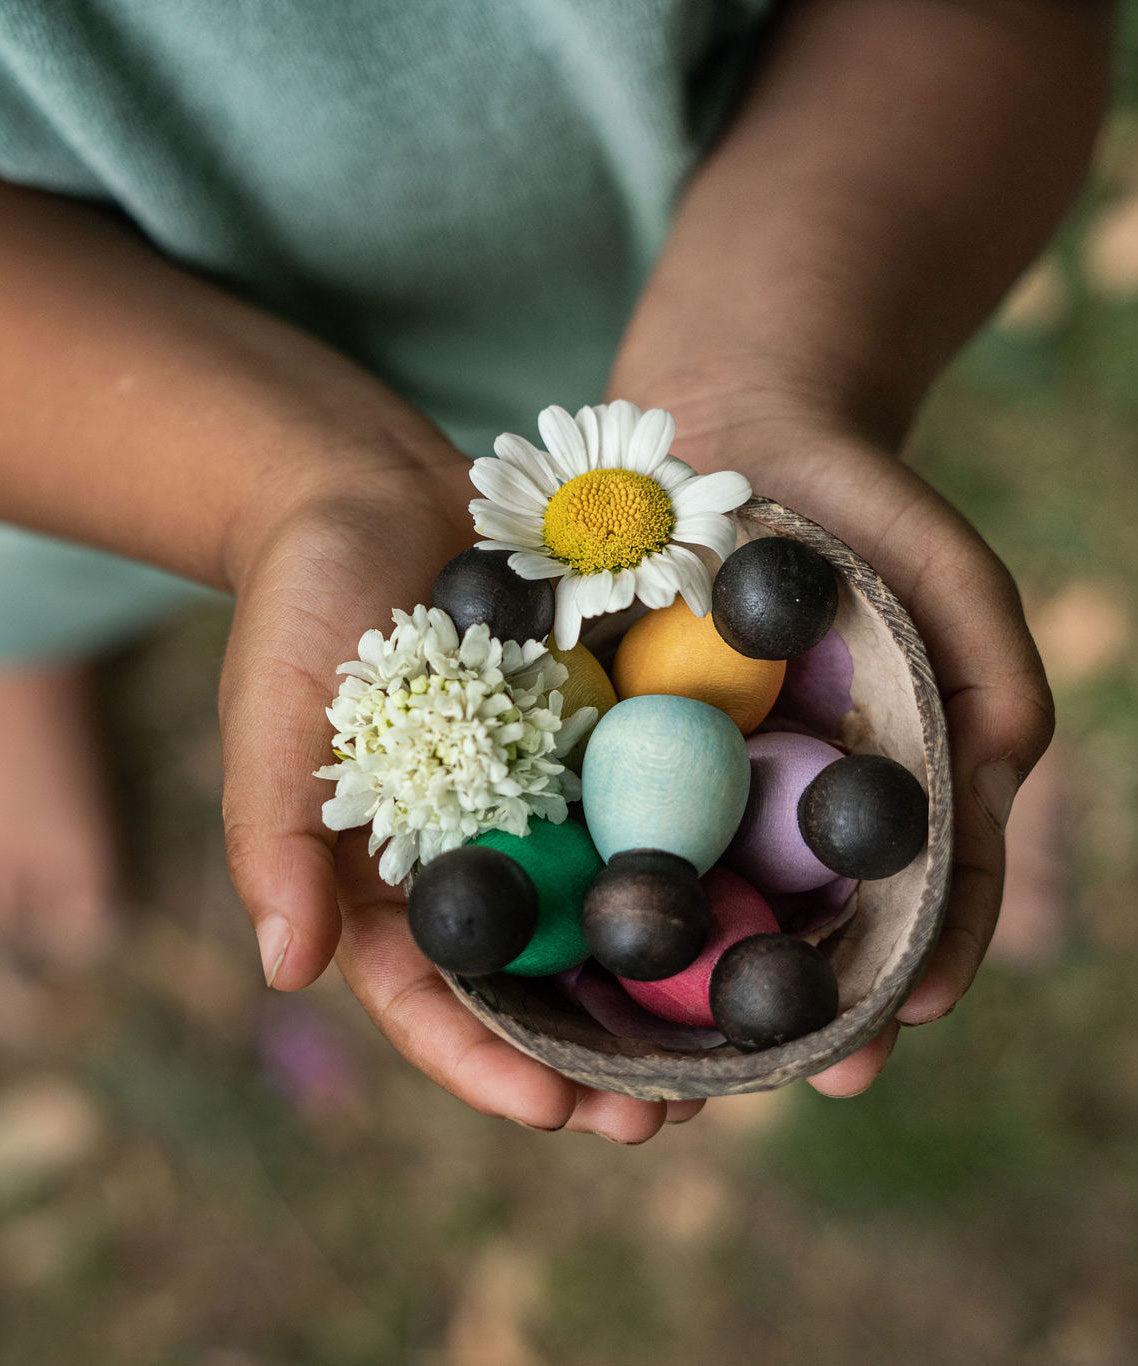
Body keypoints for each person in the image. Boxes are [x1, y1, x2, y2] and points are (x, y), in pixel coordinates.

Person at [0, 1, 1110, 1142]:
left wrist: (764, 374)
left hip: (715, 254)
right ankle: (33, 647)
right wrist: (284, 492)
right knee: (73, 543)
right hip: (92, 353)